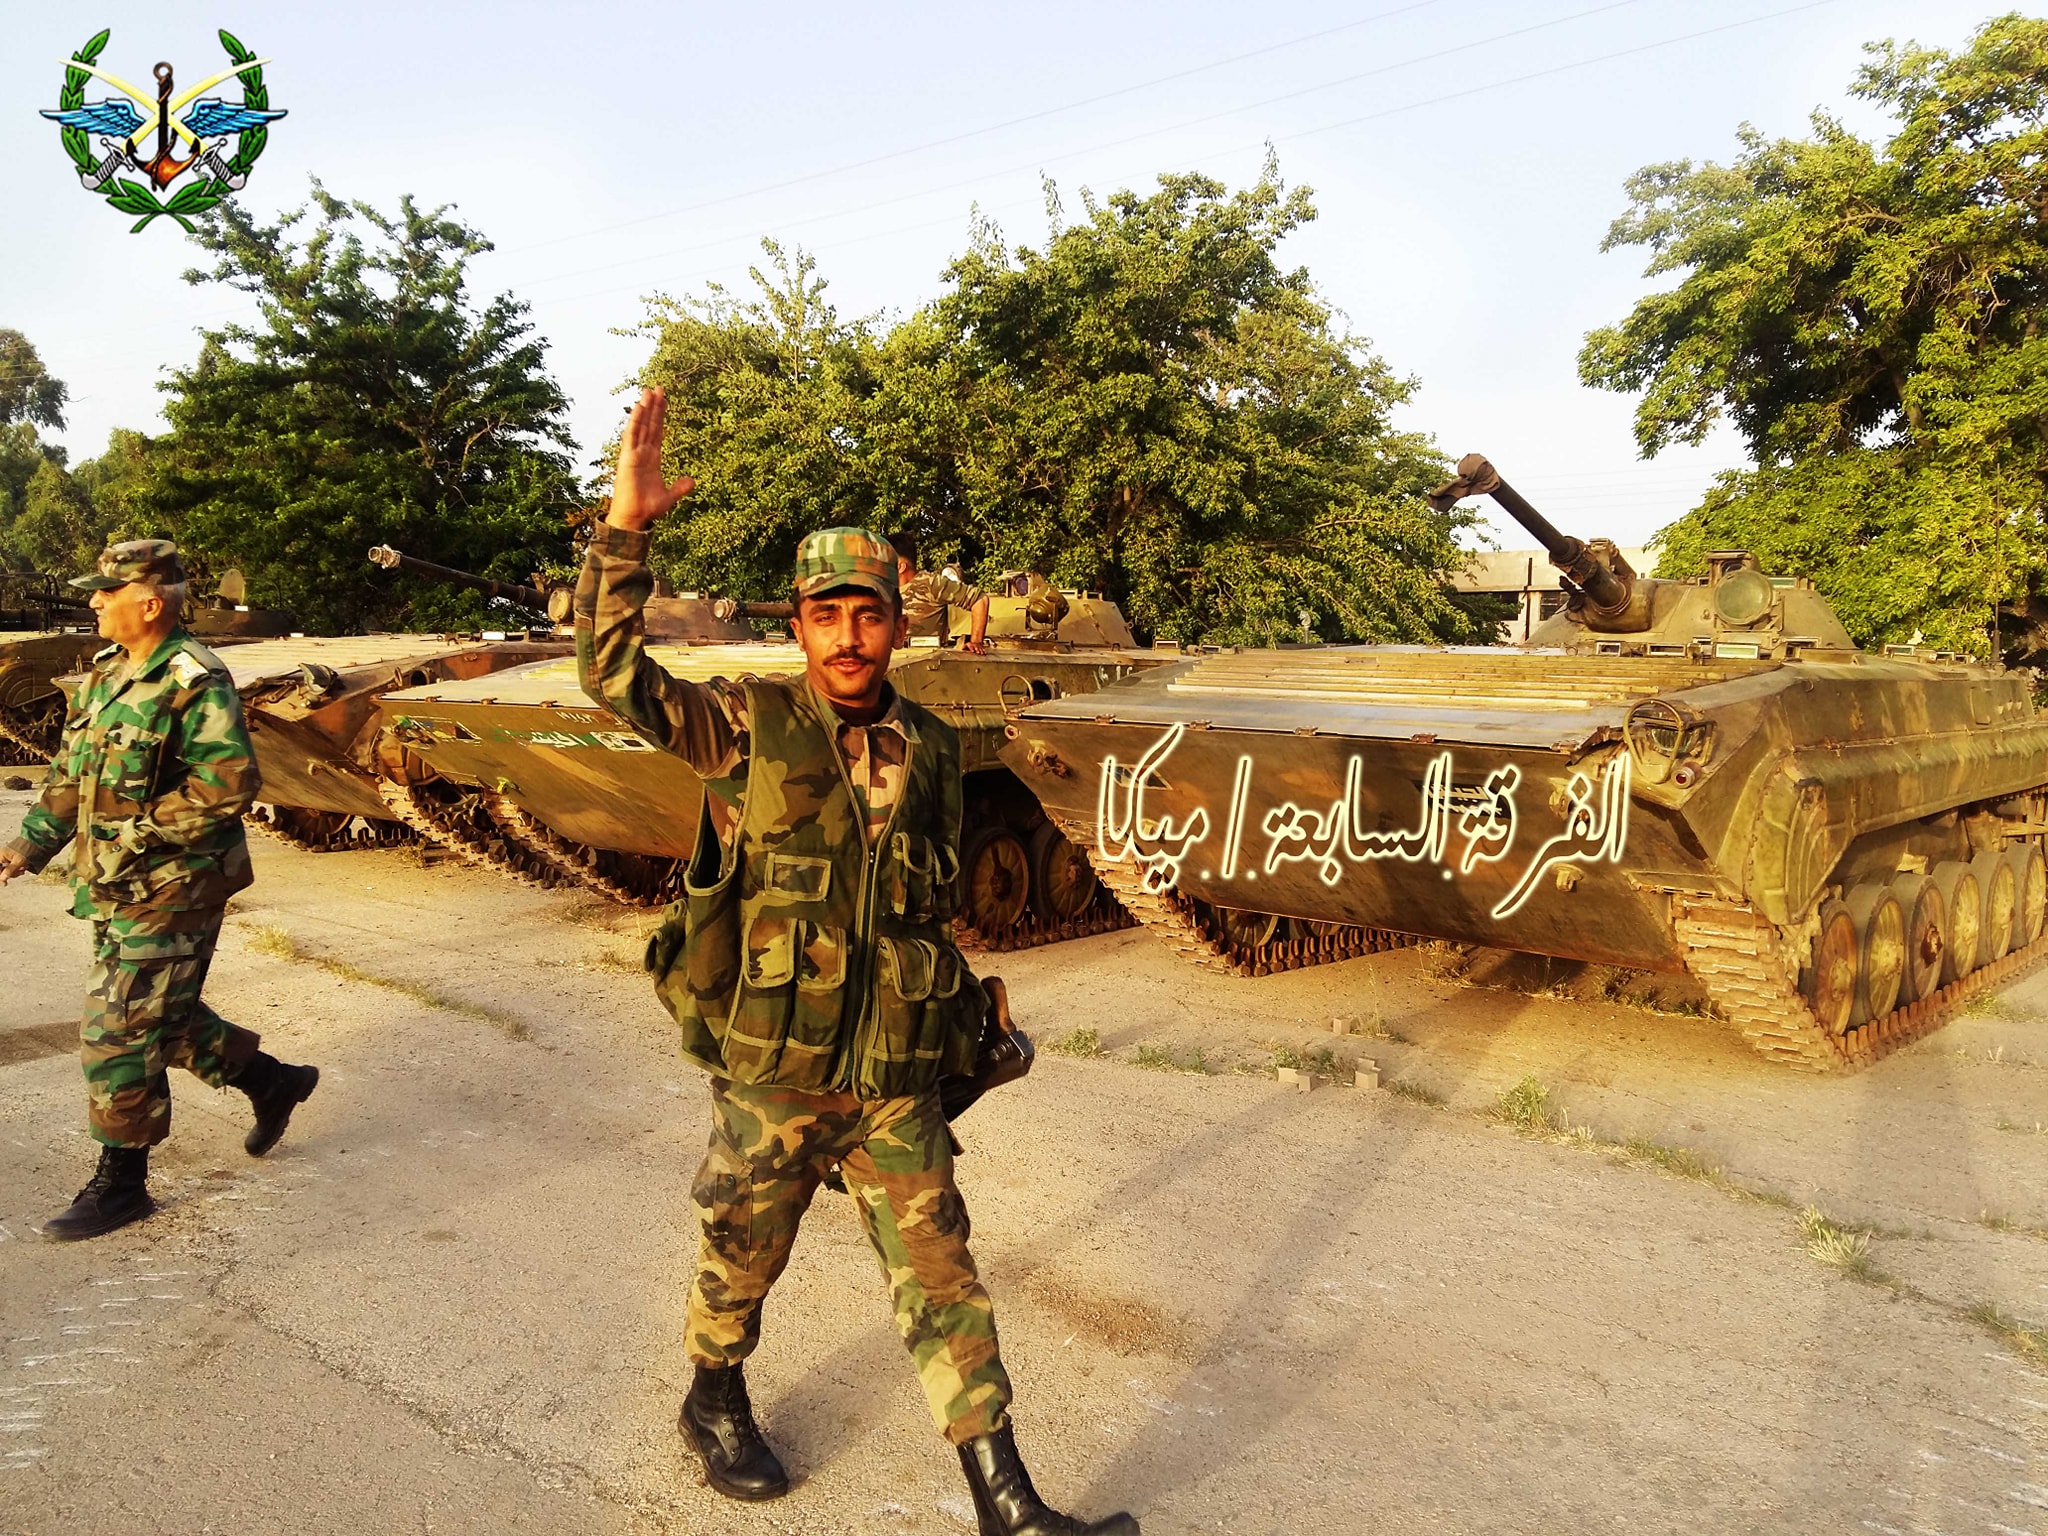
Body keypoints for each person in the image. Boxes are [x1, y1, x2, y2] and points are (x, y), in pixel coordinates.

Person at [579, 388, 1138, 1536]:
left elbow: (928, 913)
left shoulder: (932, 748)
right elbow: (610, 674)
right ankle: (712, 1395)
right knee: (743, 1250)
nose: (847, 635)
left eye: (867, 614)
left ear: (894, 624)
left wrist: (964, 1032)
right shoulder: (745, 725)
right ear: (798, 624)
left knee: (942, 1273)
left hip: (893, 1076)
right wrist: (623, 532)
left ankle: (1007, 1504)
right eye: (826, 614)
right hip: (776, 1069)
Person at [0, 540, 319, 1242]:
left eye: (104, 592)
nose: (92, 603)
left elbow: (229, 784)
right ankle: (271, 1083)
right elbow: (71, 772)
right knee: (162, 1017)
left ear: (149, 602)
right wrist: (28, 845)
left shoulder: (194, 678)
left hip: (178, 881)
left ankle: (123, 1182)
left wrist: (138, 833)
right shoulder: (109, 671)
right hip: (115, 880)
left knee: (118, 1025)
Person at [888, 530, 992, 654]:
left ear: (901, 567)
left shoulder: (932, 584)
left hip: (928, 665)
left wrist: (976, 642)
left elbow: (979, 599)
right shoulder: (883, 589)